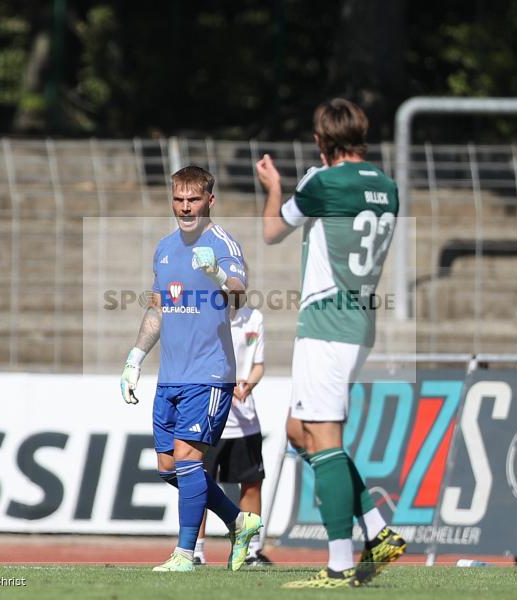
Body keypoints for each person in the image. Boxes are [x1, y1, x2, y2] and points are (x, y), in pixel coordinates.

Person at [255, 98, 406, 588]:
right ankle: (378, 531)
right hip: (359, 320)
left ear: (322, 141)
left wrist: (274, 188)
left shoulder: (322, 182)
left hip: (326, 322)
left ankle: (340, 562)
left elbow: (273, 231)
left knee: (324, 437)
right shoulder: (388, 187)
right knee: (300, 432)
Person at [120, 165, 262, 572]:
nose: (185, 207)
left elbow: (239, 295)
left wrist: (217, 274)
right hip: (171, 376)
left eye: (193, 200)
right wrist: (135, 358)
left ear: (209, 201)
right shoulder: (164, 248)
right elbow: (157, 309)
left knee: (187, 458)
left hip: (209, 373)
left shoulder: (223, 244)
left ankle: (185, 554)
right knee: (168, 468)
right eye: (179, 199)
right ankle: (239, 521)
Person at [194, 303, 272, 567]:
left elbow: (258, 365)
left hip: (245, 420)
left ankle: (251, 550)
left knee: (251, 483)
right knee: (198, 484)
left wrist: (248, 385)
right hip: (208, 416)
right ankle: (195, 550)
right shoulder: (204, 315)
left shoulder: (254, 318)